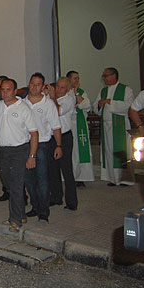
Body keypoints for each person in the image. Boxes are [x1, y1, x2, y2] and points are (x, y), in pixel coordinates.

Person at [0, 79, 38, 232]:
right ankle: (21, 214)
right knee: (8, 185)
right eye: (2, 90)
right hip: (1, 151)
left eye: (8, 90)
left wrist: (32, 156)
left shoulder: (24, 108)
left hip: (19, 151)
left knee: (15, 186)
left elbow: (34, 134)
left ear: (15, 91)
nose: (5, 93)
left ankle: (15, 220)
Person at [22, 73, 61, 223]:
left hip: (42, 145)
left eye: (38, 84)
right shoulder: (22, 102)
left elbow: (56, 126)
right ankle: (35, 206)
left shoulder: (48, 104)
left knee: (42, 179)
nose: (34, 87)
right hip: (25, 144)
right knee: (28, 179)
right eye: (32, 84)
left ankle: (44, 212)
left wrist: (58, 146)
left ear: (43, 86)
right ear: (29, 84)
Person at [93, 68, 134, 186]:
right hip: (106, 125)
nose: (103, 78)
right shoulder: (103, 90)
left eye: (105, 76)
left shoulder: (126, 89)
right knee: (109, 151)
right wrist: (99, 104)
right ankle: (112, 178)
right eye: (103, 76)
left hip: (120, 125)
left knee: (122, 151)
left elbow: (129, 105)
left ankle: (124, 179)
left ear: (114, 76)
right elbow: (95, 107)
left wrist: (110, 102)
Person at [49, 76, 78, 211]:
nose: (59, 90)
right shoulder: (50, 98)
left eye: (62, 88)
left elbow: (57, 111)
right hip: (51, 137)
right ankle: (56, 197)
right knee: (52, 169)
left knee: (66, 169)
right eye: (57, 87)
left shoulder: (69, 99)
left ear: (68, 89)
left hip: (64, 137)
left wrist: (53, 97)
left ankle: (72, 202)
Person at [66, 70, 94, 185]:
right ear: (69, 80)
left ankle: (81, 177)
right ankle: (70, 176)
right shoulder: (64, 92)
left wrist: (77, 93)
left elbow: (86, 105)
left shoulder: (82, 92)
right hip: (69, 125)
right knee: (71, 153)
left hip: (80, 125)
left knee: (80, 152)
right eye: (75, 78)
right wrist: (78, 105)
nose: (77, 80)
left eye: (78, 78)